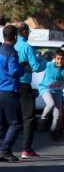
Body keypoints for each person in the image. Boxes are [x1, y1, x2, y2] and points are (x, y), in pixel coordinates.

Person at [14, 23, 46, 159]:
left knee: (11, 118)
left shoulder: (11, 46)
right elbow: (36, 67)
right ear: (25, 31)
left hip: (9, 85)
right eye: (29, 31)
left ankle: (6, 147)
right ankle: (26, 149)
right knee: (28, 118)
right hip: (24, 84)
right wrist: (43, 61)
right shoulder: (27, 47)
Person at [38, 48, 64, 140]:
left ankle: (53, 131)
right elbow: (40, 65)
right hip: (45, 89)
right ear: (55, 58)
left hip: (58, 92)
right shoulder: (49, 65)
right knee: (50, 104)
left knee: (57, 115)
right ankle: (42, 119)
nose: (60, 61)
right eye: (58, 58)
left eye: (62, 59)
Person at [0, 25, 25, 162]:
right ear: (15, 36)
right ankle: (5, 150)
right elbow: (14, 71)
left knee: (2, 124)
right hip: (9, 91)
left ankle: (2, 151)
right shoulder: (11, 52)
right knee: (15, 123)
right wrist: (24, 68)